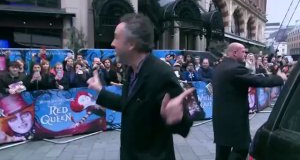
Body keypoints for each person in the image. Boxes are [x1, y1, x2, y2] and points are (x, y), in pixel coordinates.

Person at [87, 13, 194, 160]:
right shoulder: (130, 70)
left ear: (131, 44)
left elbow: (185, 125)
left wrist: (177, 118)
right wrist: (100, 91)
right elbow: (128, 105)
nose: (112, 43)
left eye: (117, 37)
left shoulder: (161, 73)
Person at [212, 42, 286, 160]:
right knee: (242, 149)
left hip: (220, 119)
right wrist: (279, 79)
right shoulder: (236, 69)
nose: (245, 54)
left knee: (222, 152)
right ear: (234, 52)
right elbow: (256, 80)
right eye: (243, 52)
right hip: (234, 120)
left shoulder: (220, 67)